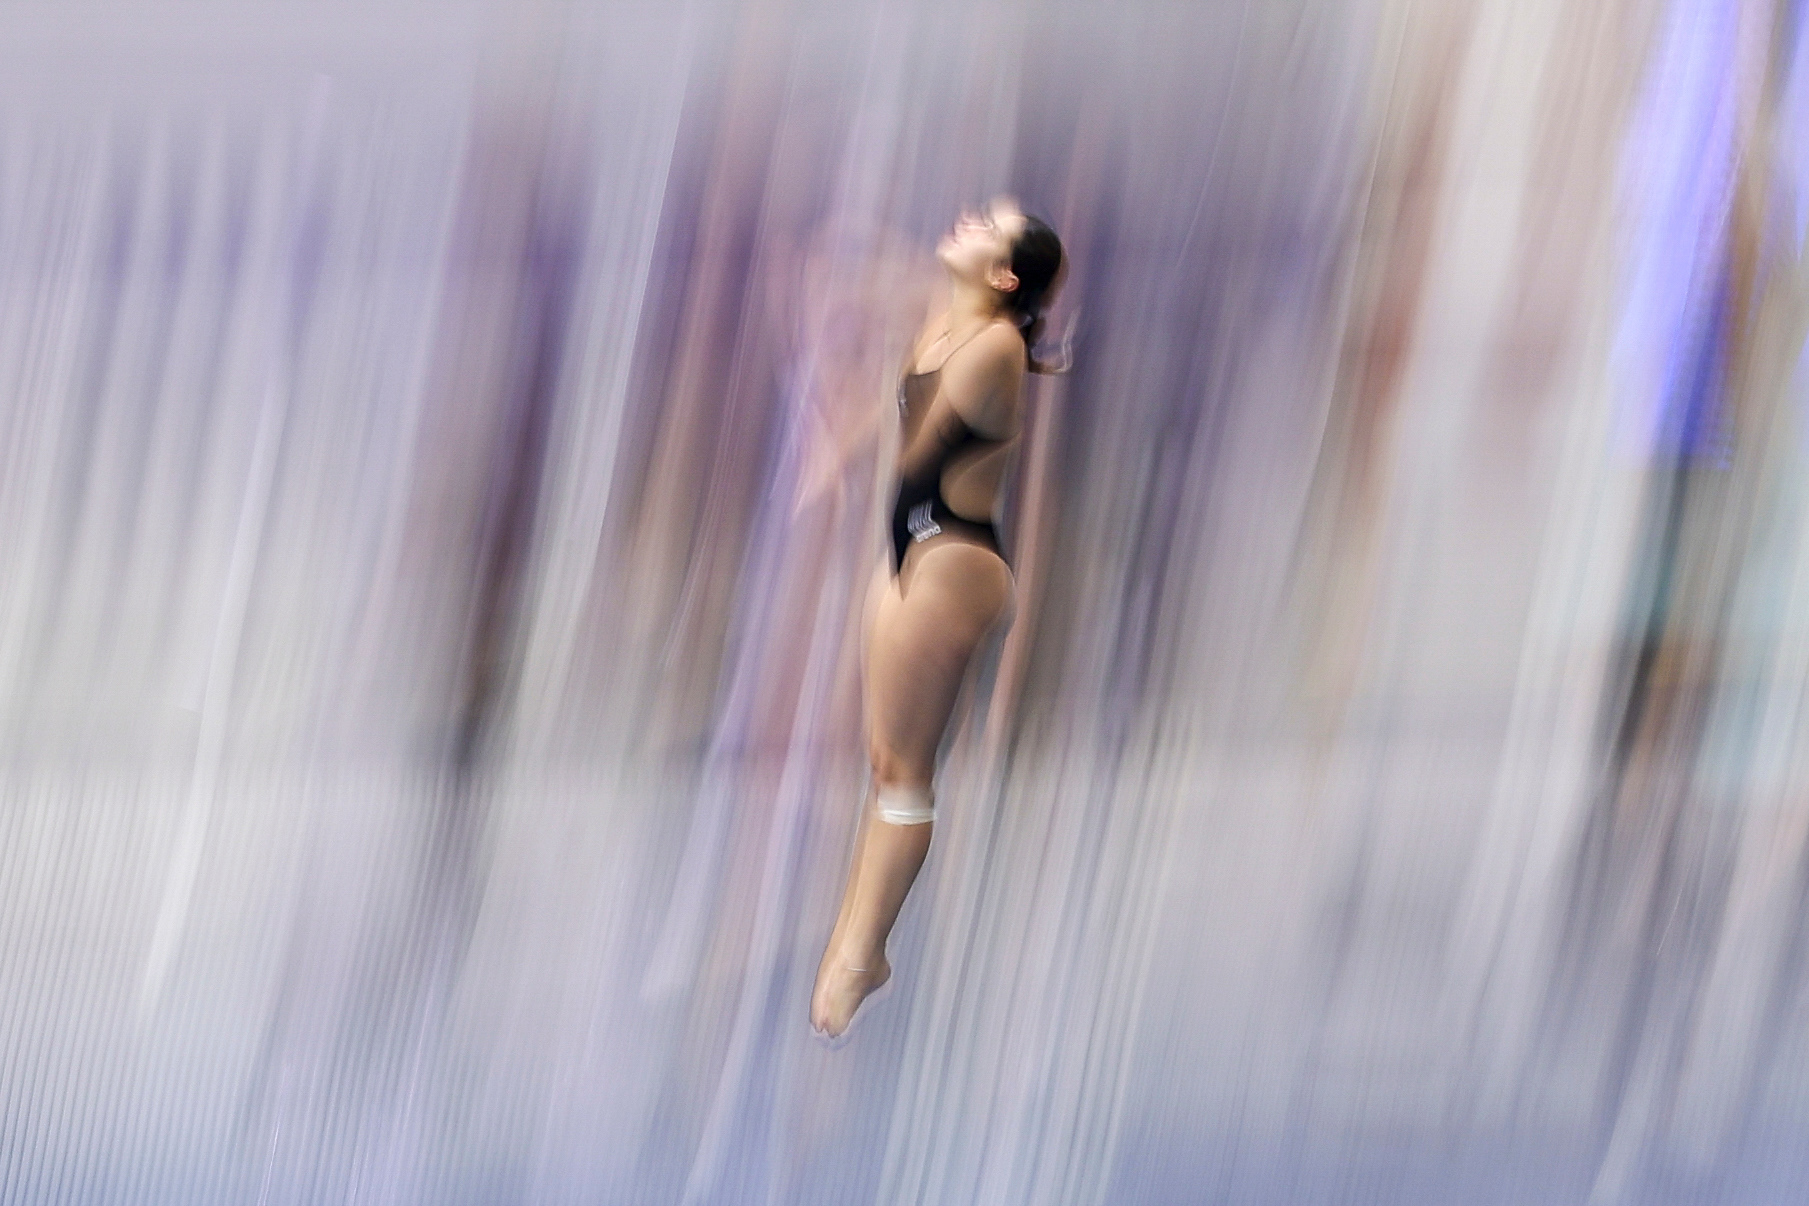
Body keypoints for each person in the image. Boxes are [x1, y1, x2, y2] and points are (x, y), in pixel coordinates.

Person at [810, 196, 1065, 1043]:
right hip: (911, 546)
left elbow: (923, 449)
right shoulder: (946, 320)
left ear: (1003, 276)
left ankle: (860, 956)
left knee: (905, 770)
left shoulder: (991, 345)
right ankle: (853, 935)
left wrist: (851, 450)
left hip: (952, 559)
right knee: (882, 760)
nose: (968, 217)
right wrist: (840, 449)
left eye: (988, 225)